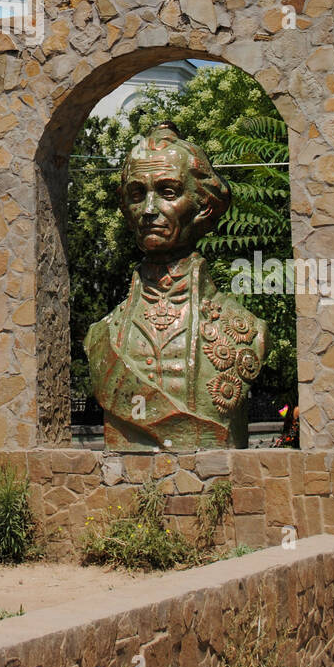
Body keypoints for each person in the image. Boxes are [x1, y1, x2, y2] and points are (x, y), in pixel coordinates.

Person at [84, 122, 267, 450]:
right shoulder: (101, 336)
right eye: (138, 194)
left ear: (204, 206)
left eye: (168, 192)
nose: (149, 211)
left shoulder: (245, 328)